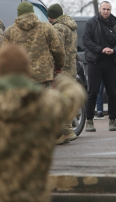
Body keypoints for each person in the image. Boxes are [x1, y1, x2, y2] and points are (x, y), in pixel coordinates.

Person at [0, 44, 85, 202]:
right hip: (35, 196)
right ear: (26, 71)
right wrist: (62, 81)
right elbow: (76, 94)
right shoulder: (46, 105)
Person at [82, 1, 116, 132]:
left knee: (113, 93)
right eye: (104, 9)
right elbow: (86, 40)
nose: (106, 11)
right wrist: (101, 49)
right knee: (92, 93)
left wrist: (114, 50)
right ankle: (89, 121)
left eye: (108, 9)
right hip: (95, 62)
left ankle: (112, 120)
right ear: (99, 9)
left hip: (111, 62)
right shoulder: (91, 22)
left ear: (111, 10)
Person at [3, 1, 65, 86]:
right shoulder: (46, 27)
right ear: (33, 12)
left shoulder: (10, 31)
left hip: (20, 79)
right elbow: (58, 50)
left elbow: (4, 55)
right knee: (43, 99)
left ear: (19, 14)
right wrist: (59, 66)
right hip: (43, 77)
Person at [47, 3, 79, 145]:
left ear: (51, 16)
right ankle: (64, 131)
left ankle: (66, 132)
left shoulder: (58, 28)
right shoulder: (71, 27)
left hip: (61, 69)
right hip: (71, 69)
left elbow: (56, 49)